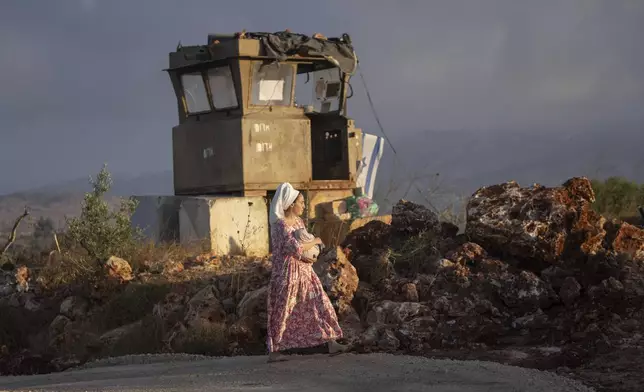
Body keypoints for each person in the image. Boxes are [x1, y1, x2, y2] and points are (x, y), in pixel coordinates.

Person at [266, 182, 348, 363]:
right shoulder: (280, 225)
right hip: (287, 274)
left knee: (319, 301)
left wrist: (311, 255)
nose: (304, 206)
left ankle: (331, 341)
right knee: (284, 310)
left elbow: (302, 247)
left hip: (305, 271)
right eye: (301, 202)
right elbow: (294, 248)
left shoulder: (298, 222)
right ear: (290, 204)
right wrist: (316, 241)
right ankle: (274, 351)